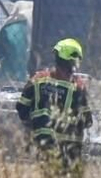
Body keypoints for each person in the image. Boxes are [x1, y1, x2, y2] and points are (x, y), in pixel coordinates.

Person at [17, 38, 93, 166]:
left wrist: (34, 126)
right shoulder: (78, 87)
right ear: (75, 62)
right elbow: (87, 121)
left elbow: (22, 108)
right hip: (69, 151)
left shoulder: (38, 79)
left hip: (40, 143)